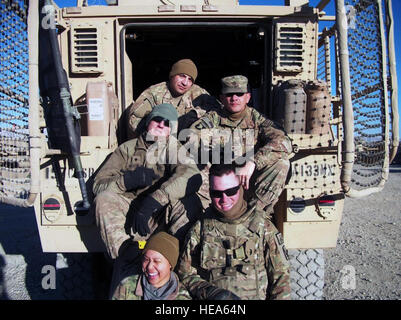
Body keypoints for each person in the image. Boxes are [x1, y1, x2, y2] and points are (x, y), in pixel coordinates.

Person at [93, 103, 202, 260]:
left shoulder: (174, 149)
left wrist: (153, 201)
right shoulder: (126, 150)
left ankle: (177, 260)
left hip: (160, 213)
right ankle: (126, 260)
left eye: (167, 124)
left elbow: (192, 176)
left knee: (190, 201)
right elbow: (98, 185)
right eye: (157, 120)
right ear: (148, 121)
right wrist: (126, 180)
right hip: (129, 211)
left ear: (171, 131)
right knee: (103, 200)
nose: (161, 125)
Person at [177, 164, 291, 300]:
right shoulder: (200, 229)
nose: (224, 199)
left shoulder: (263, 227)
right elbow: (185, 274)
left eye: (230, 191)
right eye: (217, 193)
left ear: (242, 188)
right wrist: (208, 291)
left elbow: (281, 279)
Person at [188, 75, 292, 215]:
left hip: (247, 180)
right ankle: (206, 215)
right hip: (218, 181)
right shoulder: (213, 118)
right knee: (192, 164)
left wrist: (253, 161)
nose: (234, 98)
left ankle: (255, 215)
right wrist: (211, 153)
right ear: (222, 98)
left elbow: (283, 141)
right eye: (229, 94)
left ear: (248, 97)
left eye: (239, 94)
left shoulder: (258, 120)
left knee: (282, 164)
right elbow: (192, 135)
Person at [127, 59, 221, 139]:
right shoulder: (154, 93)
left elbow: (219, 111)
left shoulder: (198, 93)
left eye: (190, 79)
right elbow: (134, 121)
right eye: (182, 76)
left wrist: (194, 115)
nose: (185, 82)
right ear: (172, 75)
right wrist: (158, 130)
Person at [110, 232, 191, 300]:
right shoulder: (127, 286)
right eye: (146, 260)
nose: (149, 267)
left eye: (157, 261)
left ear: (170, 264)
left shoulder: (182, 296)